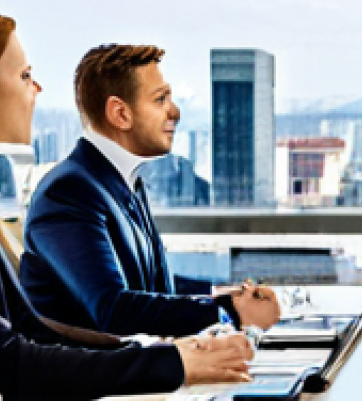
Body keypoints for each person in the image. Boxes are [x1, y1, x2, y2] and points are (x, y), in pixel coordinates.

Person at [0, 8, 254, 401]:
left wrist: (170, 356)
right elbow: (4, 362)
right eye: (24, 75)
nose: (36, 90)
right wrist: (170, 363)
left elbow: (31, 330)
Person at [21, 44, 280, 337]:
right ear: (120, 113)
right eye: (160, 100)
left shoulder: (121, 181)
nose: (175, 112)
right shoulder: (68, 192)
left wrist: (223, 295)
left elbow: (153, 287)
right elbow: (112, 309)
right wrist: (228, 312)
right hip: (99, 379)